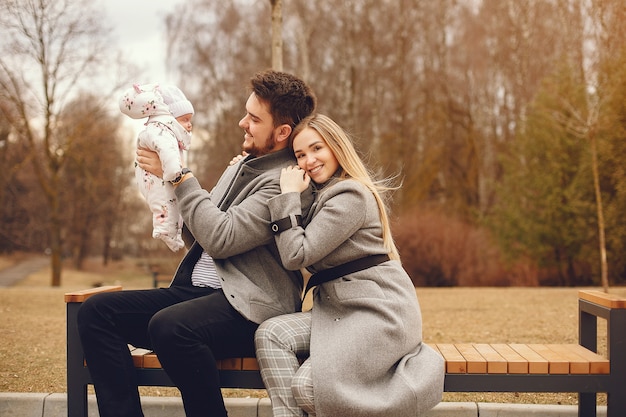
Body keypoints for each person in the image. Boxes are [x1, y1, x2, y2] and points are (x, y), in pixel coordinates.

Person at [77, 69, 317, 417]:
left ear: (281, 132)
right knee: (97, 313)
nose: (241, 123)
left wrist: (178, 174)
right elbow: (200, 232)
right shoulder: (240, 167)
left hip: (250, 308)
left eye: (253, 118)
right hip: (197, 295)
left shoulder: (286, 183)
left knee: (171, 327)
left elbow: (220, 239)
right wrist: (165, 185)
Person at [255, 114, 445, 417]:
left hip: (377, 313)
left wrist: (288, 195)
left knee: (308, 387)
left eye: (317, 148)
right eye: (300, 155)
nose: (308, 160)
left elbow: (296, 254)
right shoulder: (319, 196)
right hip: (339, 311)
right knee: (271, 333)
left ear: (336, 147)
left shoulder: (349, 195)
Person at [119, 83, 195, 251]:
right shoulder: (161, 130)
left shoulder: (166, 131)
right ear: (171, 118)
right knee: (164, 203)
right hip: (156, 178)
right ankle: (166, 232)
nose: (190, 125)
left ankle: (173, 235)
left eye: (190, 120)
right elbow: (166, 150)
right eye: (185, 120)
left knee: (173, 204)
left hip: (159, 176)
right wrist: (175, 172)